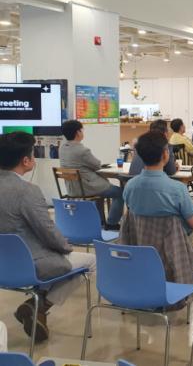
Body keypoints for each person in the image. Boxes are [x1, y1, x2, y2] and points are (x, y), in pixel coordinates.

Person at [0, 132, 96, 342]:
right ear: (26, 160)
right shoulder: (27, 191)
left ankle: (35, 306)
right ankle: (39, 305)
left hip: (3, 266)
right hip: (29, 264)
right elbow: (47, 231)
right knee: (90, 261)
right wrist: (65, 247)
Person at [124, 131, 193, 257]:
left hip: (144, 242)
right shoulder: (177, 189)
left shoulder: (130, 186)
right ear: (165, 154)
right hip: (178, 243)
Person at [59, 120, 124, 229]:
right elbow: (97, 165)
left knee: (103, 193)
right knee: (120, 193)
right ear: (78, 132)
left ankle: (100, 221)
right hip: (87, 187)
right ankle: (112, 223)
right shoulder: (82, 150)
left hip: (72, 188)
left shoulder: (62, 148)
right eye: (82, 130)